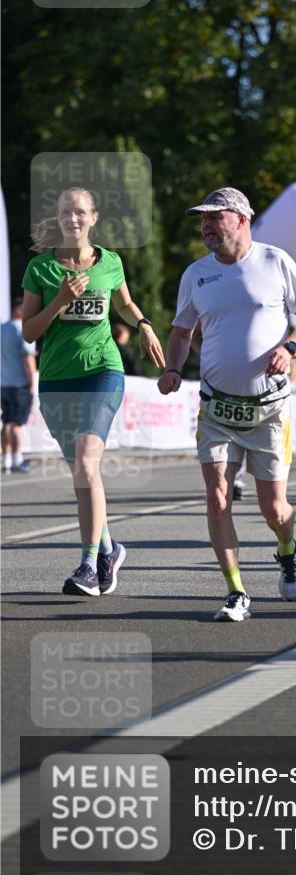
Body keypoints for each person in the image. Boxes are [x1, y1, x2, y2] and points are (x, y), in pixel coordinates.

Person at [158, 187, 296, 622]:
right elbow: (180, 331)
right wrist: (173, 368)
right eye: (204, 219)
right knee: (216, 498)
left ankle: (288, 547)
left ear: (242, 220)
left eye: (216, 218)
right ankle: (236, 591)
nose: (207, 226)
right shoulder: (195, 274)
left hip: (269, 409)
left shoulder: (275, 261)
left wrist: (290, 347)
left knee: (274, 508)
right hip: (216, 408)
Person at [21, 187, 165, 596]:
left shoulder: (111, 262)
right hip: (55, 379)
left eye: (81, 212)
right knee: (82, 473)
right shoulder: (41, 269)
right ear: (59, 217)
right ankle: (109, 548)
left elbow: (124, 304)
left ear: (94, 217)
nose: (74, 219)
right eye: (67, 212)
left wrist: (144, 324)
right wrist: (60, 302)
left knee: (86, 462)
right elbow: (30, 331)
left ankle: (88, 565)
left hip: (103, 370)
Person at [1, 296, 37, 474]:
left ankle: (6, 459)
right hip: (20, 383)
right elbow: (27, 357)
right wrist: (32, 382)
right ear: (18, 310)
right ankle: (17, 459)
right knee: (17, 424)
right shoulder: (23, 329)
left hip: (4, 383)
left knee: (7, 423)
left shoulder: (2, 328)